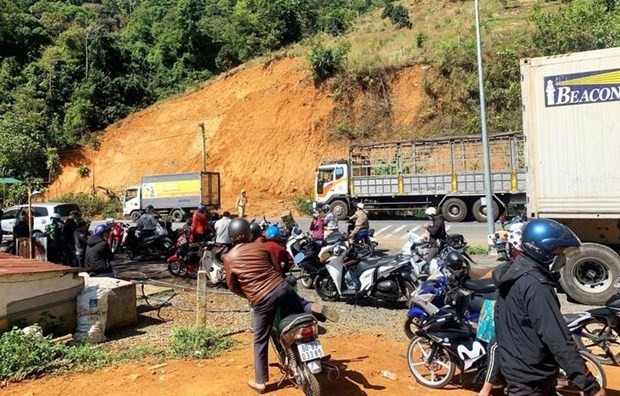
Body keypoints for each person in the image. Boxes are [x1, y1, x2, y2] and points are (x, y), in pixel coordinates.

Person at [492, 219, 604, 396]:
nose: (563, 256)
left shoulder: (512, 275)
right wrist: (589, 385)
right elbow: (557, 339)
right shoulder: (536, 285)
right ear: (542, 250)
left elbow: (503, 331)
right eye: (559, 250)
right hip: (531, 380)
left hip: (518, 372)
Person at [224, 218, 336, 394]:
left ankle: (261, 381)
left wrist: (249, 295)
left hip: (260, 299)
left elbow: (232, 286)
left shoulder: (229, 258)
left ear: (231, 236)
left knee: (260, 339)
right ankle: (312, 308)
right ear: (248, 233)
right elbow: (276, 269)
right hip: (281, 287)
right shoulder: (261, 247)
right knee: (300, 303)